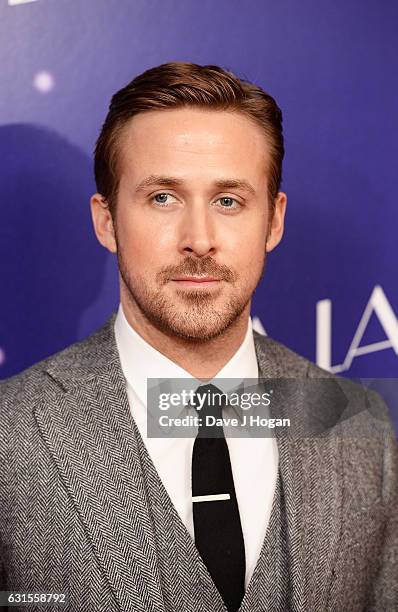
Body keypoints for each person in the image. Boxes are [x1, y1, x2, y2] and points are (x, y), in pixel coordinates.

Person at [0, 61, 397, 612]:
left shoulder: (357, 424)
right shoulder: (10, 432)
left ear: (274, 222)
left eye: (228, 200)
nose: (199, 239)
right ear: (107, 221)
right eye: (163, 197)